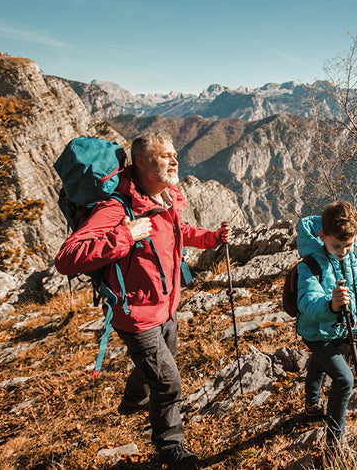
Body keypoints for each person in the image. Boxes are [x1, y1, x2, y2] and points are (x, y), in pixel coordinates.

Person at [55, 132, 231, 469]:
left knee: (158, 364)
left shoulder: (166, 196)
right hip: (134, 315)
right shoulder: (115, 208)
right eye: (165, 155)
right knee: (168, 382)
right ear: (140, 163)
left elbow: (183, 232)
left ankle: (133, 400)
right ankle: (170, 447)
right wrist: (126, 234)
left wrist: (212, 239)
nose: (175, 160)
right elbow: (67, 258)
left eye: (175, 153)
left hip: (166, 307)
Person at [295, 200, 357, 447]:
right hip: (315, 330)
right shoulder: (309, 264)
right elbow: (306, 303)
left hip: (341, 328)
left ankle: (311, 404)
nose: (343, 251)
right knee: (344, 379)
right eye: (336, 245)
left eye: (348, 244)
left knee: (321, 363)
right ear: (322, 236)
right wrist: (330, 306)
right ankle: (334, 441)